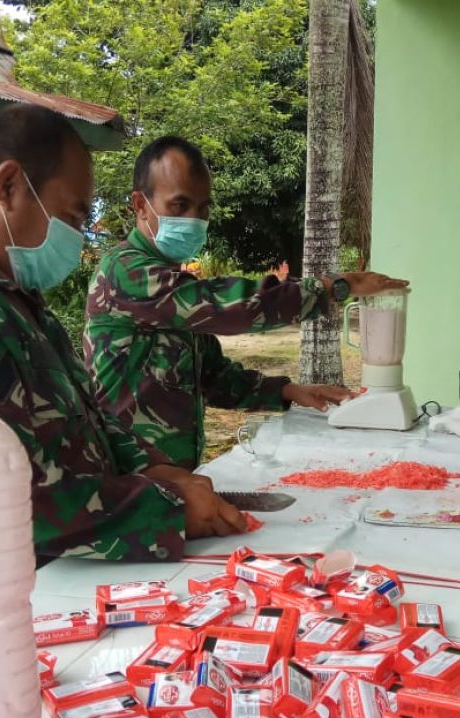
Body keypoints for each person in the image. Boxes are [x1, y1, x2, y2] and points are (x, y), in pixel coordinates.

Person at [0, 105, 245, 655]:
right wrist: (166, 508)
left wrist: (151, 465)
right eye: (71, 217)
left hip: (55, 593)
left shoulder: (6, 293)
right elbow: (9, 503)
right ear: (8, 187)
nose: (78, 236)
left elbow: (85, 414)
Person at [85, 135, 409, 469]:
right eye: (180, 206)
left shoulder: (172, 286)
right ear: (140, 205)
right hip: (129, 481)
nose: (195, 220)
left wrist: (289, 391)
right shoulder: (124, 273)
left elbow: (213, 378)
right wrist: (333, 287)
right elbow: (230, 306)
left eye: (204, 208)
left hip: (174, 480)